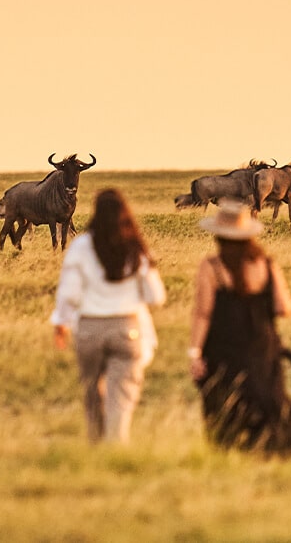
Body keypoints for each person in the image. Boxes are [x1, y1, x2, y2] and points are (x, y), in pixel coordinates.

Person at [188, 202, 291, 457]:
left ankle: (233, 451)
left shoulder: (212, 267)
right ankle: (277, 450)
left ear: (219, 235)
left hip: (222, 347)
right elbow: (284, 307)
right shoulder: (266, 264)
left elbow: (203, 313)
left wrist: (195, 352)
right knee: (267, 396)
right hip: (261, 344)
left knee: (227, 399)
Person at [51, 188, 166, 444]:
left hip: (89, 329)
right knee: (121, 395)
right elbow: (156, 296)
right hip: (127, 328)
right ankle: (117, 443)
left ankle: (96, 442)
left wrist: (61, 323)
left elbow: (69, 292)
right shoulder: (135, 245)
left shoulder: (81, 245)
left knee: (92, 391)